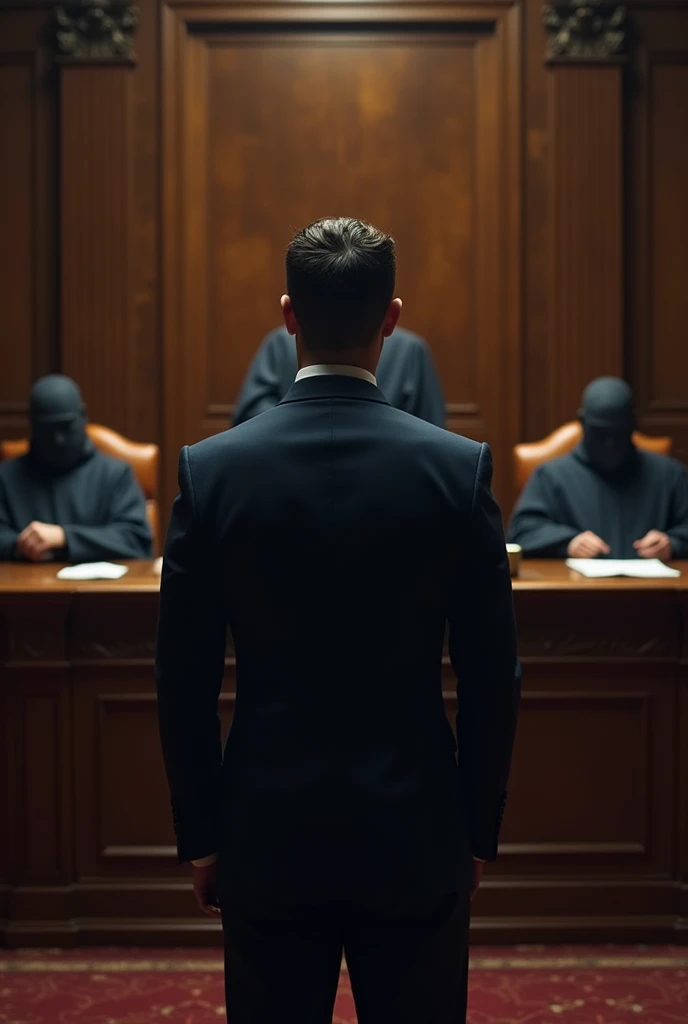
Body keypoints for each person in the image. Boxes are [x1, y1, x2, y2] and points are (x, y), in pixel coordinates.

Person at [156, 217, 520, 1024]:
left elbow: (180, 678)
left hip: (266, 831)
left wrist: (204, 835)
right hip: (416, 831)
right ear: (391, 316)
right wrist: (475, 833)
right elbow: (496, 676)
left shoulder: (211, 472)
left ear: (289, 314)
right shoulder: (456, 471)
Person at [508, 376, 688, 560]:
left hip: (654, 588)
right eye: (600, 433)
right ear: (582, 423)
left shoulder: (670, 475)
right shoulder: (550, 476)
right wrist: (568, 543)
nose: (609, 444)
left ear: (633, 424)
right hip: (577, 588)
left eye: (617, 434)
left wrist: (672, 543)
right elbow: (521, 533)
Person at [0, 375, 153, 562]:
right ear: (32, 424)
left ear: (83, 416)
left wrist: (64, 537)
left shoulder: (115, 475)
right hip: (26, 588)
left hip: (100, 590)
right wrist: (19, 546)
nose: (59, 439)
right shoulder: (6, 478)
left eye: (66, 427)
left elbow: (136, 540)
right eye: (48, 430)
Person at [233, 323, 446, 427]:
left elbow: (249, 421)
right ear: (390, 314)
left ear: (290, 311)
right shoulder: (410, 349)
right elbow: (433, 433)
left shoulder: (279, 342)